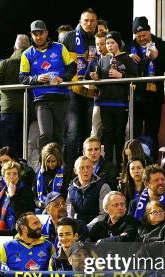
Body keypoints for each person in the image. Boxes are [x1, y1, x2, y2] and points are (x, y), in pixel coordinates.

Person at [20, 19, 76, 153]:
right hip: (42, 99)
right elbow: (22, 77)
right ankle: (44, 167)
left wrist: (62, 78)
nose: (38, 37)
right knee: (45, 134)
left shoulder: (60, 47)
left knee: (59, 136)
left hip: (61, 96)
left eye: (41, 33)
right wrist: (36, 78)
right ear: (31, 35)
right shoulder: (27, 54)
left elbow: (72, 68)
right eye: (35, 34)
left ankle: (58, 168)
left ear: (46, 33)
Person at [89, 31, 139, 165]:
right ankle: (109, 167)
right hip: (105, 103)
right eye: (107, 43)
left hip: (121, 103)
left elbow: (136, 79)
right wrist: (96, 79)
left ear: (119, 43)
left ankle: (120, 166)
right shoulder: (103, 59)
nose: (109, 45)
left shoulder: (127, 59)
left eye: (112, 43)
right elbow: (98, 83)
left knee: (119, 135)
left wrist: (121, 76)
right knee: (108, 136)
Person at [128, 16, 165, 156]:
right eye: (138, 36)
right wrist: (128, 58)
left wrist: (156, 58)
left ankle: (151, 161)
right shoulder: (129, 47)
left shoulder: (162, 45)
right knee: (135, 133)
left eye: (144, 35)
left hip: (154, 97)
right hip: (136, 98)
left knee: (153, 131)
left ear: (150, 31)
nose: (141, 38)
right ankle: (135, 162)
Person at [61, 8, 98, 164]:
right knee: (72, 133)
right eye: (86, 20)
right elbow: (62, 64)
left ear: (96, 23)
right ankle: (69, 169)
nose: (89, 23)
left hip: (91, 93)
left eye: (92, 21)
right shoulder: (69, 38)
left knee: (87, 134)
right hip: (73, 92)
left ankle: (86, 168)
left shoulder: (99, 38)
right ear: (80, 22)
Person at [0, 34, 31, 157]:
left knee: (7, 141)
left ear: (15, 48)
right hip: (28, 107)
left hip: (8, 108)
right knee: (23, 141)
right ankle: (21, 169)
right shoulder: (33, 63)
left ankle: (8, 169)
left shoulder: (5, 63)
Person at [128, 165, 165, 237]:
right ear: (146, 184)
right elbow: (131, 230)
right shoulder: (134, 205)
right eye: (156, 180)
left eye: (162, 179)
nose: (161, 183)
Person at [0, 161, 36, 236]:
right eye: (8, 174)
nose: (12, 177)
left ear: (18, 176)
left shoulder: (26, 192)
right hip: (1, 229)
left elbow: (22, 217)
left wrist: (13, 197)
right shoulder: (0, 195)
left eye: (15, 174)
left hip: (18, 230)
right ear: (3, 178)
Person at [68, 156, 112, 226]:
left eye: (88, 167)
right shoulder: (71, 189)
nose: (86, 170)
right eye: (82, 168)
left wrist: (87, 227)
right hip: (79, 227)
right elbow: (69, 214)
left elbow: (104, 214)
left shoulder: (103, 186)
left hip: (98, 227)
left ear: (92, 169)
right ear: (75, 171)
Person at [34, 143, 70, 211]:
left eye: (53, 161)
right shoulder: (38, 174)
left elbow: (67, 195)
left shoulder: (65, 173)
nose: (50, 164)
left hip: (59, 208)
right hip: (41, 208)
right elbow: (34, 196)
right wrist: (38, 203)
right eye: (48, 161)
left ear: (58, 160)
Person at [90, 32, 109, 138]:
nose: (99, 47)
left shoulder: (116, 58)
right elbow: (85, 78)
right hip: (98, 100)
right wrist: (92, 81)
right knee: (95, 132)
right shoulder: (94, 60)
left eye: (102, 44)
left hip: (114, 100)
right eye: (97, 44)